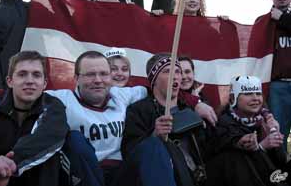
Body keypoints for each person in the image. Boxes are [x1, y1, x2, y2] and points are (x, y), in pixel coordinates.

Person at [47, 51, 147, 186]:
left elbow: (155, 89)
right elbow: (28, 94)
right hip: (83, 172)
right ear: (76, 78)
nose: (98, 80)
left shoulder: (120, 95)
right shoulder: (62, 99)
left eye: (103, 74)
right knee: (74, 138)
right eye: (90, 74)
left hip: (120, 172)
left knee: (153, 145)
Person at [121, 53, 207, 186]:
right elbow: (130, 152)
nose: (176, 76)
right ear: (154, 79)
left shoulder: (191, 108)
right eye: (167, 71)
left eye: (177, 71)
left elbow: (210, 149)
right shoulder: (138, 110)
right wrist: (154, 135)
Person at [0, 51, 69, 186]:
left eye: (36, 75)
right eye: (22, 74)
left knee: (71, 142)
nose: (30, 81)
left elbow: (46, 136)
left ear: (44, 84)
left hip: (36, 177)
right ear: (10, 81)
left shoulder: (53, 106)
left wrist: (11, 162)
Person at [205, 76, 290, 186]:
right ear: (233, 98)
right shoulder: (224, 123)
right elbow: (237, 163)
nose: (255, 98)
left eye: (258, 93)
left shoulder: (265, 120)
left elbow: (280, 162)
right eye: (248, 93)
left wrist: (274, 135)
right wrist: (261, 147)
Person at [259, 0, 291, 151]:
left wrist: (283, 20)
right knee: (277, 136)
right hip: (277, 88)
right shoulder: (262, 23)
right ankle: (279, 177)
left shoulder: (283, 19)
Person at [178, 55, 217, 126]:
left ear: (193, 74)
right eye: (179, 73)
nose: (183, 77)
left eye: (187, 72)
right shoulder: (170, 99)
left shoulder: (203, 97)